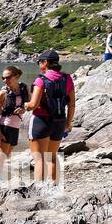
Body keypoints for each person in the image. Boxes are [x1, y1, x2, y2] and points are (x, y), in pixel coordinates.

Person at [25, 49, 75, 183]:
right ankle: (54, 187)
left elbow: (33, 105)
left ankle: (39, 189)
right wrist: (68, 123)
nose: (39, 65)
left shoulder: (41, 80)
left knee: (39, 158)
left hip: (41, 121)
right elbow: (72, 105)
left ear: (46, 62)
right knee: (52, 156)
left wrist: (25, 105)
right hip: (59, 121)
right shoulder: (67, 78)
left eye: (39, 62)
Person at [0, 65, 28, 179]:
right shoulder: (2, 93)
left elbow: (28, 104)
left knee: (5, 156)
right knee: (1, 157)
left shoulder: (23, 88)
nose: (5, 80)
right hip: (4, 127)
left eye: (8, 77)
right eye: (3, 78)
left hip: (15, 127)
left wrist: (24, 109)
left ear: (17, 76)